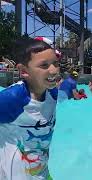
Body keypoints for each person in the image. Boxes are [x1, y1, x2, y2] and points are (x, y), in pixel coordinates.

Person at [0, 39, 59, 179]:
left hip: (41, 172)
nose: (54, 70)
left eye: (56, 64)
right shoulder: (12, 99)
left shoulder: (52, 93)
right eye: (44, 65)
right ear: (24, 71)